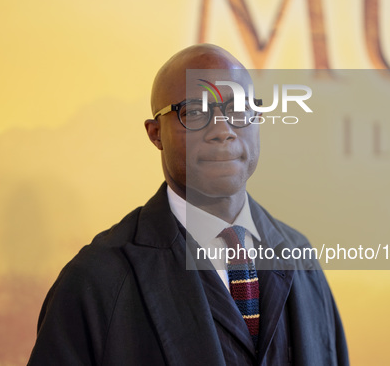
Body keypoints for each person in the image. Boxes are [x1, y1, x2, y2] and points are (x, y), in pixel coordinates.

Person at [27, 44, 349, 365]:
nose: (222, 130)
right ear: (156, 134)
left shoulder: (301, 258)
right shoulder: (94, 282)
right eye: (194, 111)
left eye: (238, 109)